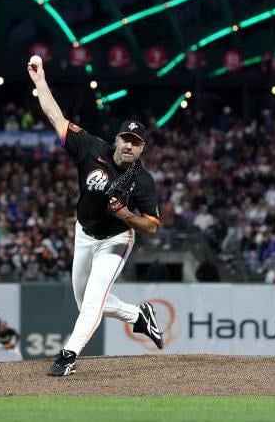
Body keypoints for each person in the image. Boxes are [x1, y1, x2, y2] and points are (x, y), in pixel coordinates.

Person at [26, 56, 165, 377]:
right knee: (85, 302)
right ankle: (138, 316)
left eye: (137, 142)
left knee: (92, 303)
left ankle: (67, 356)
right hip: (85, 232)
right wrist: (40, 82)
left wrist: (126, 214)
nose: (130, 146)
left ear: (142, 149)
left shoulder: (143, 180)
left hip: (117, 239)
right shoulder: (91, 148)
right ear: (116, 139)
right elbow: (56, 117)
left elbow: (152, 227)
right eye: (126, 139)